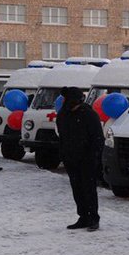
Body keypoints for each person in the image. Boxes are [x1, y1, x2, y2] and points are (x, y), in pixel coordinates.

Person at [55, 87, 104, 231]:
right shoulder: (63, 114)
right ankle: (83, 217)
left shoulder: (88, 114)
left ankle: (93, 218)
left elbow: (97, 138)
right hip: (71, 158)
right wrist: (63, 154)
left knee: (88, 189)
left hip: (87, 159)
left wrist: (93, 156)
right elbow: (62, 136)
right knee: (77, 189)